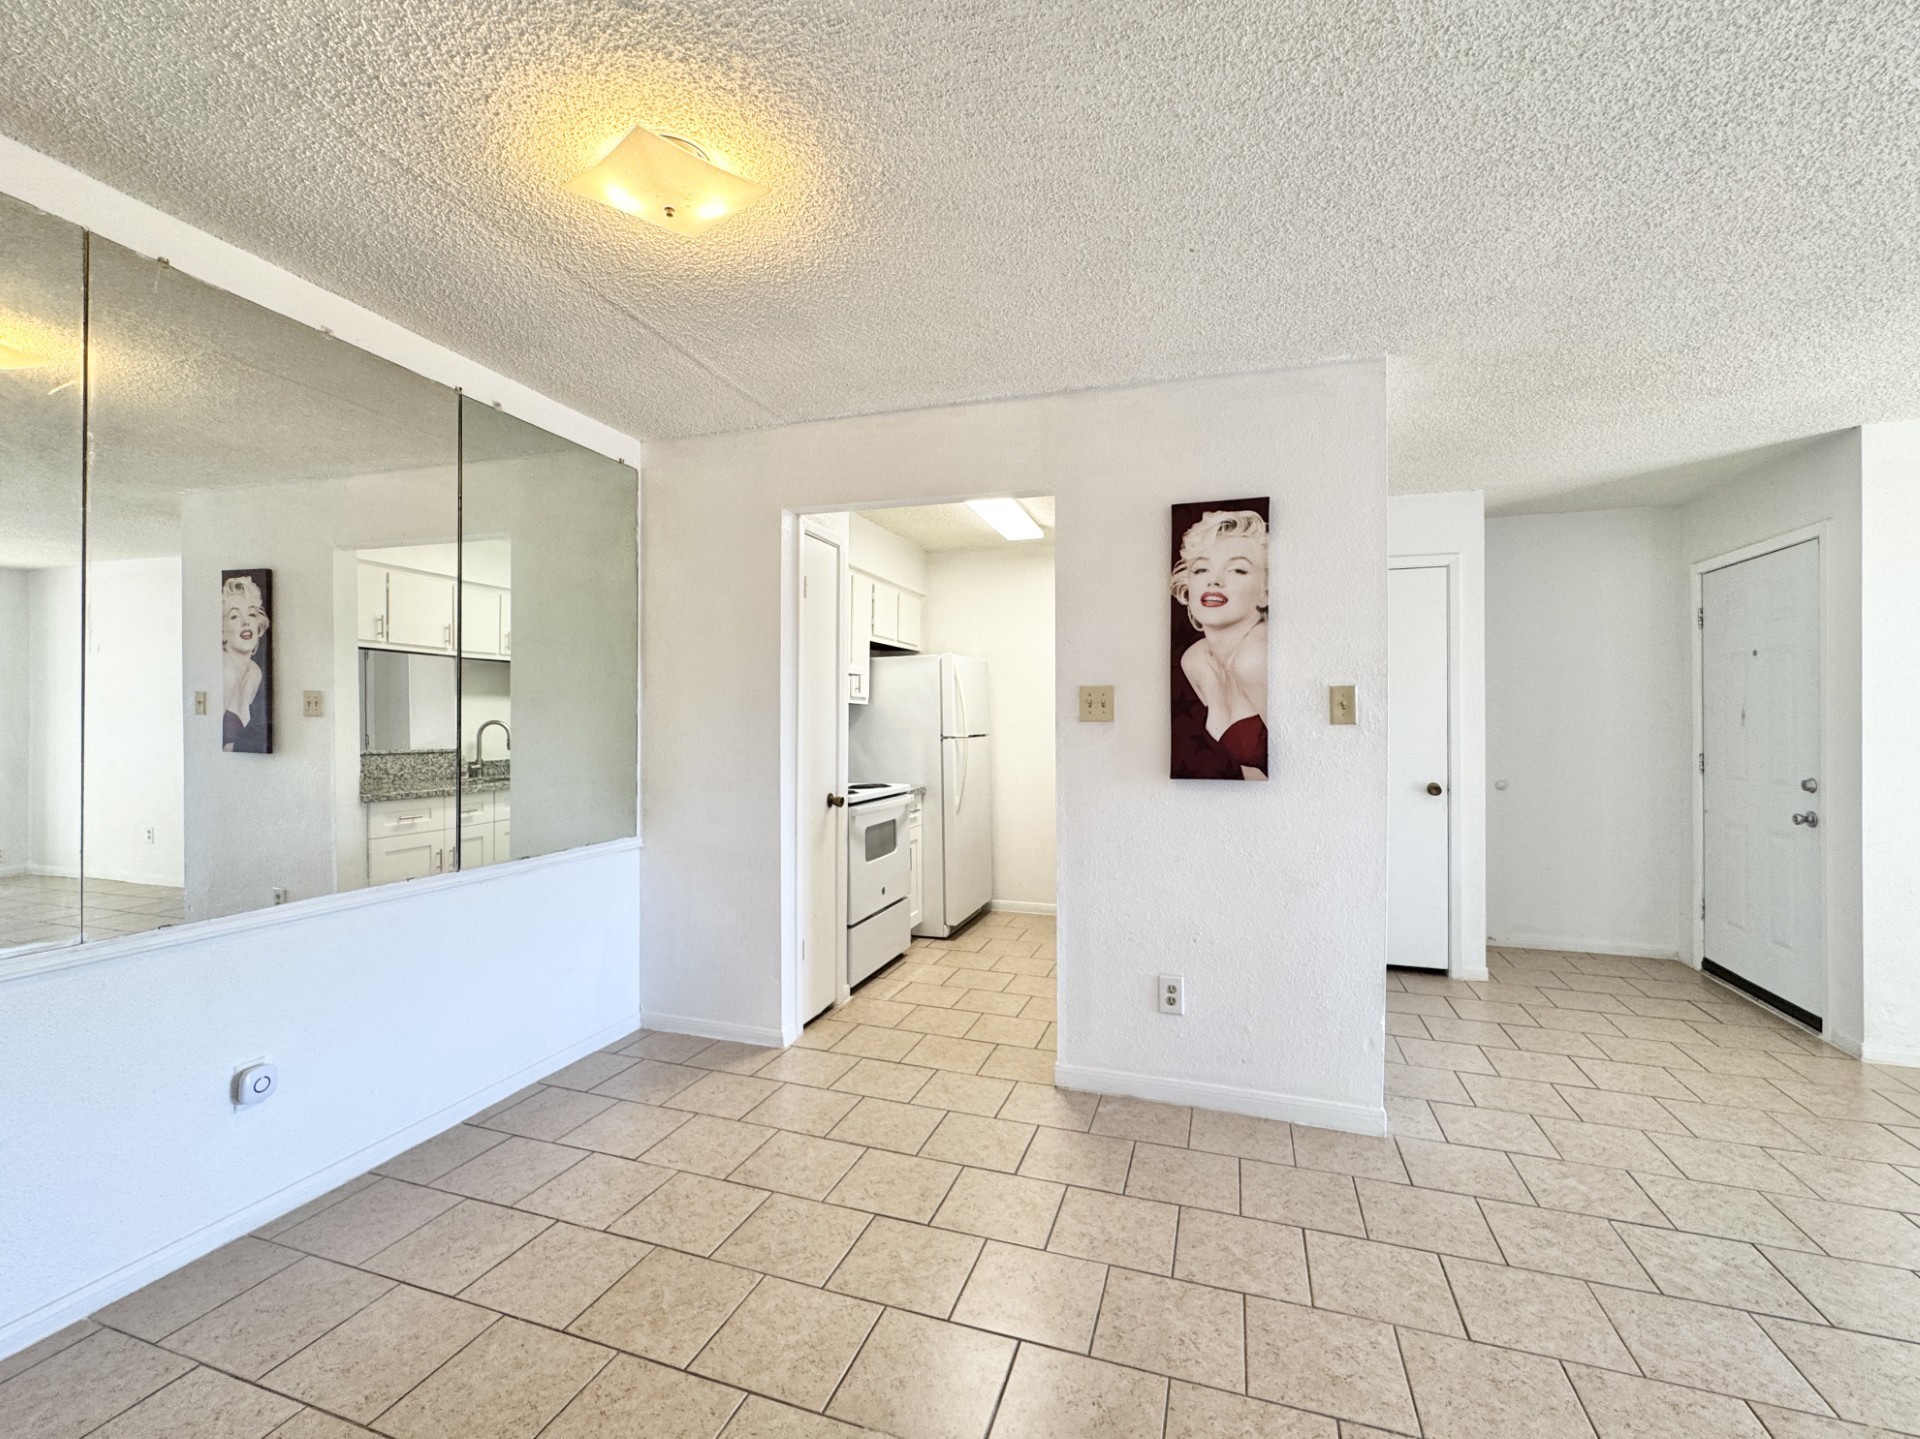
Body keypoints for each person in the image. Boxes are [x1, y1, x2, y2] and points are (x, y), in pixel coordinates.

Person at [1169, 509, 1268, 779]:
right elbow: (1253, 770)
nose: (1214, 580)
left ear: (1265, 592)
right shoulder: (1195, 660)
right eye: (1201, 569)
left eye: (1237, 569)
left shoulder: (1256, 659)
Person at [221, 574, 271, 752]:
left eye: (251, 614)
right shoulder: (226, 672)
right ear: (222, 632)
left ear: (258, 625)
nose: (245, 622)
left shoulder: (254, 672)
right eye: (234, 616)